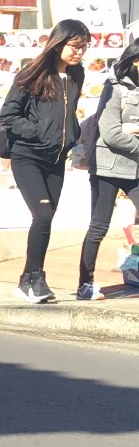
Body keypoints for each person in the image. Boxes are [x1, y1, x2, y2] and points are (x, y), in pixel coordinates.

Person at [0, 18, 89, 304]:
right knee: (43, 215)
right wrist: (37, 133)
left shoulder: (77, 75)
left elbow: (68, 114)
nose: (79, 52)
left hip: (56, 159)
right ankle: (36, 277)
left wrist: (72, 137)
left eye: (84, 47)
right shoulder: (33, 72)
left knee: (46, 221)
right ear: (59, 42)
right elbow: (8, 115)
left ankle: (27, 280)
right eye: (74, 46)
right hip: (28, 156)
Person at [77, 41, 139, 300]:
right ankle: (85, 284)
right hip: (107, 167)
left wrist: (132, 129)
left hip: (135, 166)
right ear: (136, 61)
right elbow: (112, 133)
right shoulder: (114, 87)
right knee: (99, 226)